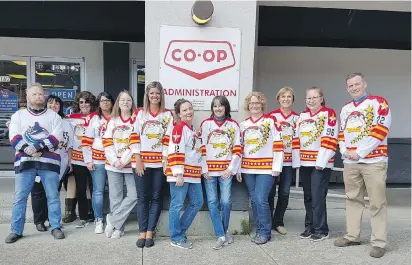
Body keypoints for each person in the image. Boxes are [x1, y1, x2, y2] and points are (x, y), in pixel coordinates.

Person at [334, 73, 391, 258]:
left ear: (364, 84)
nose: (354, 88)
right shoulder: (346, 108)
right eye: (350, 85)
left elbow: (380, 130)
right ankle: (352, 235)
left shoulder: (379, 103)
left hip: (374, 161)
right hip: (351, 162)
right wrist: (344, 151)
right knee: (352, 199)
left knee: (377, 203)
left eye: (357, 84)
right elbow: (341, 133)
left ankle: (379, 242)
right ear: (347, 88)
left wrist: (360, 152)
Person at [5, 83, 65, 243]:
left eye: (40, 94)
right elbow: (14, 136)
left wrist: (37, 147)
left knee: (53, 196)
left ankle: (55, 227)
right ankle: (16, 230)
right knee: (20, 198)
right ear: (27, 97)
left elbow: (56, 137)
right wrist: (28, 149)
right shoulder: (18, 115)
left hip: (49, 162)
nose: (38, 96)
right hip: (25, 162)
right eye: (34, 94)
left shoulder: (54, 116)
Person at [237, 92, 284, 245]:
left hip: (266, 168)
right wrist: (238, 169)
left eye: (257, 103)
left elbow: (278, 144)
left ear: (262, 104)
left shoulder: (271, 121)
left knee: (261, 199)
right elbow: (239, 148)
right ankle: (259, 230)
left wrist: (277, 166)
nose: (255, 105)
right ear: (248, 105)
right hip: (248, 168)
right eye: (252, 103)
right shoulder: (243, 124)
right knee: (255, 200)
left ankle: (265, 232)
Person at [131, 81, 174, 248]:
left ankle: (150, 232)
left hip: (159, 164)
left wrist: (164, 161)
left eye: (157, 93)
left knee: (156, 198)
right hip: (141, 162)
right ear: (147, 95)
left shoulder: (167, 115)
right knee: (142, 198)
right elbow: (134, 136)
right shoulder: (140, 114)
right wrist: (138, 159)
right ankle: (141, 232)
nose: (154, 96)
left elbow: (167, 140)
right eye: (152, 93)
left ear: (161, 96)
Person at [296, 86, 338, 242]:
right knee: (308, 196)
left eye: (314, 97)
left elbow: (330, 138)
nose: (311, 100)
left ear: (321, 98)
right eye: (308, 98)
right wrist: (297, 160)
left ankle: (321, 229)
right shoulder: (302, 115)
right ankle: (310, 226)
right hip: (305, 162)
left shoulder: (328, 114)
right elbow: (297, 138)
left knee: (318, 196)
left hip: (321, 163)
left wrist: (321, 161)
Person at [199, 95, 241, 250]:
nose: (218, 108)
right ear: (212, 108)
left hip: (225, 171)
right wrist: (204, 169)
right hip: (209, 171)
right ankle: (221, 235)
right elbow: (201, 148)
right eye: (215, 106)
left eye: (221, 105)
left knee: (225, 201)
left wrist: (230, 169)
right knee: (212, 202)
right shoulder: (205, 124)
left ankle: (224, 230)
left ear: (226, 107)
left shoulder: (233, 125)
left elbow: (237, 149)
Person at [165, 99, 206, 249]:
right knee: (177, 205)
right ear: (178, 114)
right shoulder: (179, 128)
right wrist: (178, 173)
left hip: (193, 174)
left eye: (190, 109)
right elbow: (175, 150)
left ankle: (179, 231)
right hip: (181, 174)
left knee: (197, 202)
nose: (189, 112)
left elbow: (197, 152)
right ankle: (176, 237)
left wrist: (203, 169)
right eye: (184, 110)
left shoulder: (192, 129)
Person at [30, 95, 74, 232]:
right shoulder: (39, 121)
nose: (53, 105)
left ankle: (53, 220)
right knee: (38, 193)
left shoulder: (66, 123)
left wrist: (70, 162)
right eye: (50, 102)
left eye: (57, 103)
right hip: (39, 161)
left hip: (58, 164)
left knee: (53, 193)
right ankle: (39, 220)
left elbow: (70, 145)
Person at [103, 90, 138, 239]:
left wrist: (124, 160)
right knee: (115, 197)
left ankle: (112, 219)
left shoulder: (136, 121)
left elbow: (136, 143)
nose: (125, 102)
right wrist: (114, 160)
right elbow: (107, 142)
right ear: (118, 102)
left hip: (129, 165)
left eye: (128, 100)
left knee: (134, 195)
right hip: (113, 165)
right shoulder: (113, 121)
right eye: (122, 100)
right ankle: (119, 228)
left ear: (132, 103)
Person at [268, 87, 300, 235]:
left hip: (288, 162)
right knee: (269, 192)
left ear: (292, 100)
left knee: (284, 192)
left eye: (289, 97)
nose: (286, 99)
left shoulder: (298, 118)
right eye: (283, 96)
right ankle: (267, 221)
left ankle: (278, 222)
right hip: (273, 161)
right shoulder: (271, 117)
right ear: (278, 99)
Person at [82, 92, 114, 234]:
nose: (105, 103)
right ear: (99, 104)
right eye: (102, 101)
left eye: (108, 100)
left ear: (112, 102)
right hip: (98, 160)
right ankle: (99, 220)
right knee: (98, 191)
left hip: (114, 161)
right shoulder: (94, 118)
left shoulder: (118, 117)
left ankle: (113, 220)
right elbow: (86, 140)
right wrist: (88, 160)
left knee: (115, 192)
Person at [66, 91, 96, 227]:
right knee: (81, 188)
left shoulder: (97, 118)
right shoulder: (71, 119)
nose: (84, 105)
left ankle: (97, 215)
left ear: (91, 103)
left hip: (94, 158)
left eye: (87, 102)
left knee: (96, 188)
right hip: (78, 159)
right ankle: (84, 216)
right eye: (81, 102)